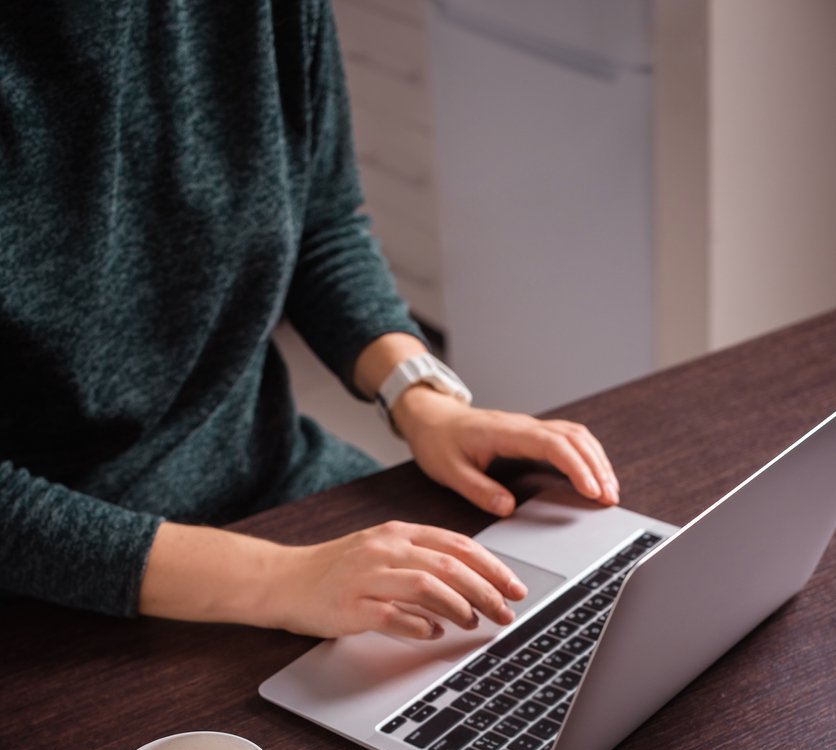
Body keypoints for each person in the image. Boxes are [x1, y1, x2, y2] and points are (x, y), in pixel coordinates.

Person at [0, 1, 619, 642]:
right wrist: (279, 580)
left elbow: (322, 226)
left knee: (561, 647)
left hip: (276, 485)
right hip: (52, 580)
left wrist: (424, 402)